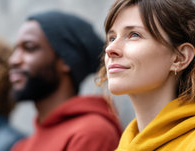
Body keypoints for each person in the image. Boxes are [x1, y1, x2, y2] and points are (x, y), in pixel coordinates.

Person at [98, 0, 195, 150]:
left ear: (180, 57)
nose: (110, 49)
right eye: (111, 38)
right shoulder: (124, 147)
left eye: (134, 35)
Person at [9, 11, 122, 151]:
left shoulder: (91, 133)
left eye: (30, 48)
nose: (13, 60)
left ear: (65, 60)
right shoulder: (20, 147)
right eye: (15, 50)